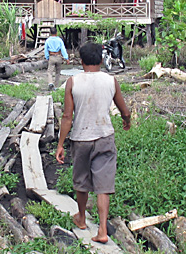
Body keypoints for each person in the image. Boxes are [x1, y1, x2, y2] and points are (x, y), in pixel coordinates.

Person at [55, 42, 131, 243]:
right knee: (103, 184)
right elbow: (124, 110)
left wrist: (61, 144)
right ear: (100, 60)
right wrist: (127, 121)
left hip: (81, 137)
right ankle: (103, 230)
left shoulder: (73, 82)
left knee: (81, 180)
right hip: (104, 135)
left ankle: (81, 218)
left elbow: (67, 116)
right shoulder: (111, 80)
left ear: (82, 61)